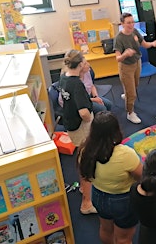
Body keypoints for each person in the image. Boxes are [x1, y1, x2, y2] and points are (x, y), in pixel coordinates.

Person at [78, 111, 143, 244]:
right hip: (123, 200)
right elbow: (142, 177)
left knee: (105, 229)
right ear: (115, 130)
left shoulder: (85, 151)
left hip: (98, 195)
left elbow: (85, 174)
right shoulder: (125, 154)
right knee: (124, 238)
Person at [59, 49, 96, 214]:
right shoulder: (77, 84)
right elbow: (84, 113)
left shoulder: (64, 77)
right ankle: (86, 203)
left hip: (70, 123)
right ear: (80, 64)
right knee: (87, 161)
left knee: (81, 156)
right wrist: (90, 119)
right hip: (81, 126)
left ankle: (83, 186)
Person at [114, 12, 156, 124]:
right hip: (126, 66)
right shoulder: (119, 38)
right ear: (122, 24)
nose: (131, 25)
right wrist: (125, 54)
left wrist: (153, 43)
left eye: (132, 22)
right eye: (128, 23)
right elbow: (118, 58)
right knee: (132, 94)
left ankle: (127, 93)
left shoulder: (135, 32)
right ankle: (130, 113)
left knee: (135, 85)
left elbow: (144, 45)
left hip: (137, 62)